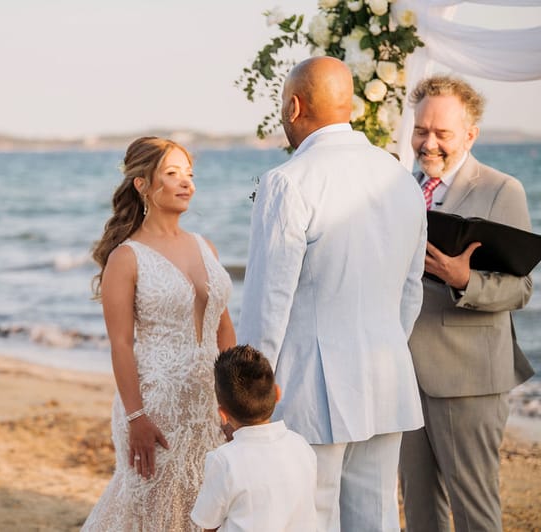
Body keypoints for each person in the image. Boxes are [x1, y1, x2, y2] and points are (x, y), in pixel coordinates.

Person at [237, 56, 427, 531]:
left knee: (306, 516)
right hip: (386, 380)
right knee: (377, 517)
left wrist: (246, 398)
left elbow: (267, 301)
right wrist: (382, 345)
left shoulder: (288, 182)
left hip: (309, 386)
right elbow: (410, 291)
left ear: (294, 106)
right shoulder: (401, 180)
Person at [399, 75, 535, 532]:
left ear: (470, 134)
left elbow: (521, 288)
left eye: (442, 133)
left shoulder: (502, 190)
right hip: (404, 376)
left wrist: (465, 280)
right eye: (421, 131)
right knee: (418, 510)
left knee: (474, 511)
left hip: (469, 378)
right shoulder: (401, 187)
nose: (429, 143)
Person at [82, 136, 236, 530]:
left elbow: (223, 325)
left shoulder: (206, 247)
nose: (187, 183)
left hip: (207, 405)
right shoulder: (126, 257)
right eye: (172, 174)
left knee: (209, 509)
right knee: (153, 513)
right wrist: (136, 418)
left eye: (189, 174)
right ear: (143, 184)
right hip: (154, 406)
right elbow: (120, 344)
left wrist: (231, 401)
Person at [190, 344, 317, 532]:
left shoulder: (224, 461)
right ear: (278, 394)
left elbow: (208, 524)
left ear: (223, 414)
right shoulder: (301, 445)